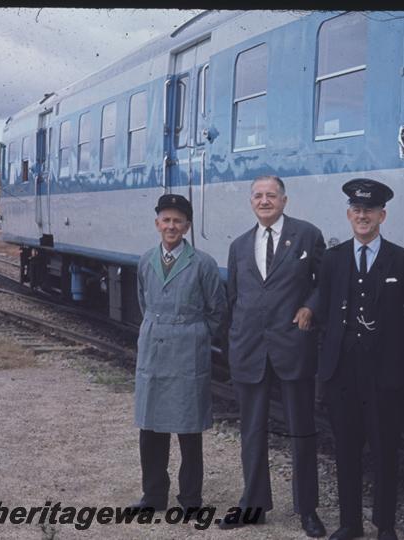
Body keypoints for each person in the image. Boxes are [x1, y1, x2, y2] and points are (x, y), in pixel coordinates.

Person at [317, 178, 404, 540]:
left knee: (384, 452)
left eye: (370, 211)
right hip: (343, 372)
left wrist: (391, 350)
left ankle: (385, 526)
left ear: (383, 215)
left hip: (384, 374)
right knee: (346, 450)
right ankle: (350, 524)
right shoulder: (332, 260)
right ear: (349, 215)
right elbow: (325, 315)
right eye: (357, 210)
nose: (363, 216)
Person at [221, 175, 327, 536]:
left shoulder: (307, 235)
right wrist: (236, 337)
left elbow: (322, 283)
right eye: (258, 196)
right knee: (251, 431)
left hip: (292, 345)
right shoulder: (238, 246)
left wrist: (310, 308)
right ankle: (253, 505)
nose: (264, 201)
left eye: (271, 196)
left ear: (284, 200)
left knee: (302, 431)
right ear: (251, 202)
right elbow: (234, 298)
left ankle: (307, 510)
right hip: (249, 349)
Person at [132, 194, 227, 512]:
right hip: (153, 352)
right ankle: (153, 495)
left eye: (178, 221)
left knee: (189, 430)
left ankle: (191, 499)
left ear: (187, 226)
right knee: (151, 428)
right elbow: (145, 303)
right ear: (157, 223)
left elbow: (217, 310)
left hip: (188, 353)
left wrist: (195, 335)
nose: (171, 226)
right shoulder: (146, 260)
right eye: (166, 220)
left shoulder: (204, 264)